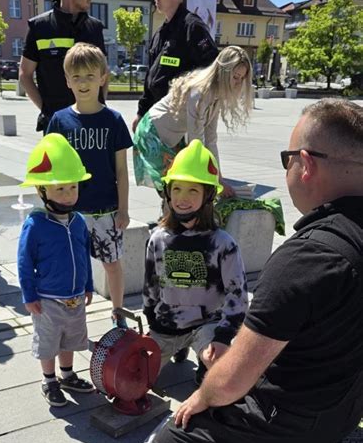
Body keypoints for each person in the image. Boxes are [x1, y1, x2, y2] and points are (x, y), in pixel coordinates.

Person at [151, 99, 363, 443]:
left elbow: (231, 381)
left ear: (304, 164)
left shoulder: (307, 257)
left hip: (288, 421)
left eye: (287, 159)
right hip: (342, 408)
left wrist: (204, 398)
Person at [144, 139, 248, 377]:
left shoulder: (223, 244)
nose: (183, 197)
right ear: (168, 193)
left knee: (220, 376)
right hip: (167, 324)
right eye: (177, 188)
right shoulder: (158, 239)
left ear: (209, 195)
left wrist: (223, 336)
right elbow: (150, 284)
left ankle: (202, 360)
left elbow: (238, 295)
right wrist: (150, 316)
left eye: (193, 190)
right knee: (135, 377)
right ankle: (177, 348)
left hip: (207, 323)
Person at [48, 43, 132, 327]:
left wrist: (123, 209)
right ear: (68, 81)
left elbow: (121, 169)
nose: (84, 83)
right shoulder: (59, 121)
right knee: (73, 266)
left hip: (106, 210)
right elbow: (48, 170)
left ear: (103, 77)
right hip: (71, 213)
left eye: (90, 76)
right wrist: (50, 209)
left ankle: (118, 312)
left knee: (112, 263)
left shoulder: (114, 120)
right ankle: (72, 314)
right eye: (77, 77)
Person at [17, 133, 95, 407]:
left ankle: (68, 374)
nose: (68, 194)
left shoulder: (78, 221)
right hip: (48, 298)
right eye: (59, 189)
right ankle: (49, 379)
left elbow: (84, 254)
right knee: (49, 341)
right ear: (42, 191)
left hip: (75, 296)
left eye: (72, 187)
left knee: (71, 340)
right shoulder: (36, 225)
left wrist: (88, 285)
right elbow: (25, 261)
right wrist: (29, 295)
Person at [134, 46, 253, 199]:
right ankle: (169, 220)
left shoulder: (216, 94)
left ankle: (170, 219)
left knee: (178, 190)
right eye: (235, 77)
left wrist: (219, 179)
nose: (238, 83)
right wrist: (215, 182)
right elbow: (196, 142)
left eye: (242, 78)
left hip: (172, 137)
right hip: (153, 134)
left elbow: (211, 139)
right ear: (223, 72)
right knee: (174, 190)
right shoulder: (200, 92)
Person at [20, 0, 106, 134]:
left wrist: (100, 105)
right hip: (56, 126)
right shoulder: (40, 27)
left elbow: (104, 73)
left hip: (92, 123)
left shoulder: (94, 28)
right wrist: (46, 109)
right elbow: (25, 74)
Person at [132, 0, 218, 133]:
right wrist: (141, 112)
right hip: (157, 111)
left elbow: (211, 65)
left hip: (180, 113)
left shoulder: (192, 27)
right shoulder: (160, 33)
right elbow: (150, 77)